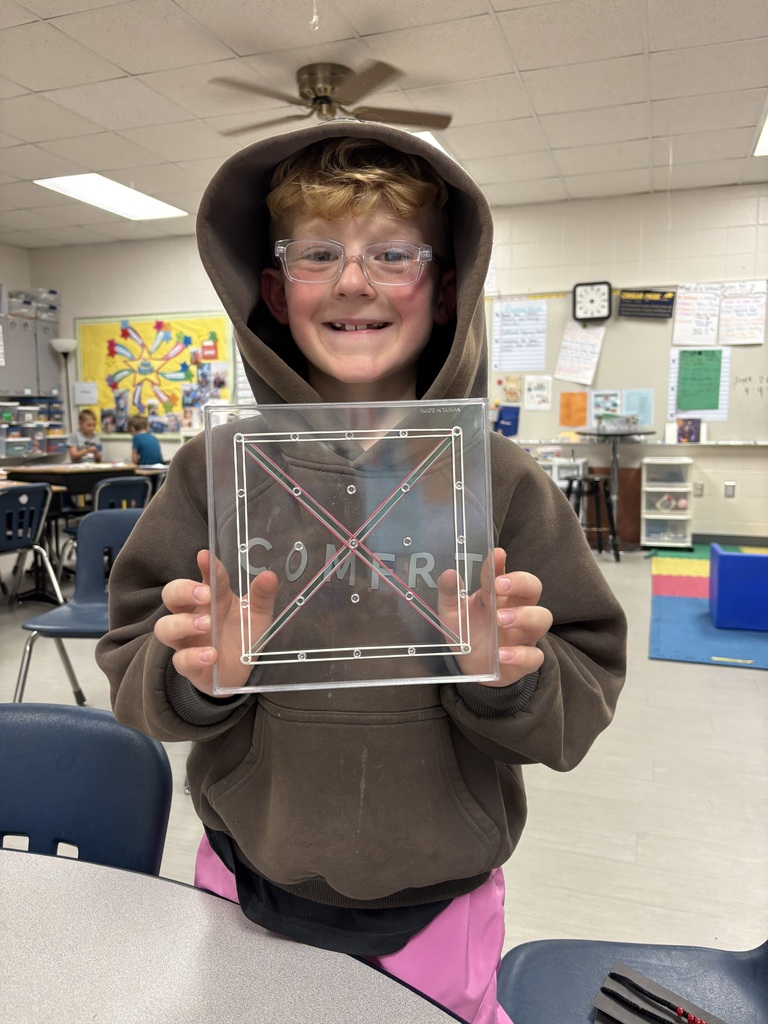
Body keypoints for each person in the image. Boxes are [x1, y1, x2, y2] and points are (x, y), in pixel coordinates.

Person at [96, 123, 627, 1024]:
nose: (354, 281)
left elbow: (579, 700)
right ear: (273, 288)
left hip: (440, 900)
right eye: (318, 254)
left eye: (391, 253)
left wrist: (510, 679)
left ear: (446, 286)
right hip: (241, 878)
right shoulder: (211, 471)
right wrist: (194, 673)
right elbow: (132, 670)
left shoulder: (504, 484)